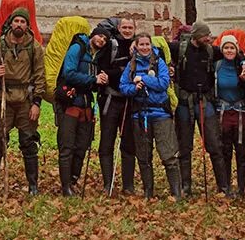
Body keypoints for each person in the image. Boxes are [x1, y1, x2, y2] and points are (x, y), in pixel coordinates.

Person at [0, 8, 47, 195]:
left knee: (28, 141)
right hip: (4, 97)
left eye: (23, 22)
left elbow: (40, 76)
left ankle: (33, 185)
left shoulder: (34, 47)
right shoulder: (0, 45)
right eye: (16, 21)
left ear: (27, 25)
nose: (19, 24)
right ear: (11, 23)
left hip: (26, 100)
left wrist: (37, 102)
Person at [119, 31, 182, 200]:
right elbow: (123, 86)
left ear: (151, 46)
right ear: (136, 46)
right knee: (144, 156)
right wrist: (134, 88)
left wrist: (144, 79)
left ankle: (176, 192)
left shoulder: (159, 62)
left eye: (147, 44)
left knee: (168, 154)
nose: (145, 47)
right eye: (141, 45)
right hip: (139, 115)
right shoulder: (130, 65)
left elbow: (163, 83)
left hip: (160, 113)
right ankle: (148, 191)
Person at [174, 22, 233, 196]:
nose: (208, 38)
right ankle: (185, 187)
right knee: (184, 147)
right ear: (195, 36)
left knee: (215, 145)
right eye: (205, 36)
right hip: (185, 102)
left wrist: (244, 63)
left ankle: (223, 186)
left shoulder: (210, 50)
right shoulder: (180, 49)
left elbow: (234, 53)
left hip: (206, 102)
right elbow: (157, 46)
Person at [56, 24, 111, 195]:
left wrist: (100, 80)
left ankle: (73, 180)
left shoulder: (98, 57)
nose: (101, 40)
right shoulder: (77, 48)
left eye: (105, 39)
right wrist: (92, 79)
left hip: (87, 105)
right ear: (93, 35)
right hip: (70, 102)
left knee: (82, 146)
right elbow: (69, 73)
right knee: (67, 146)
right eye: (100, 36)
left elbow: (93, 83)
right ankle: (65, 187)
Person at [93, 16, 138, 194]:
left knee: (128, 143)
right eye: (124, 27)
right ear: (119, 28)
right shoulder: (111, 46)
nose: (127, 30)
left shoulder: (139, 46)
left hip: (129, 101)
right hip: (110, 100)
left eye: (130, 27)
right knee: (107, 142)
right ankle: (107, 184)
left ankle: (128, 185)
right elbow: (102, 70)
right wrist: (121, 72)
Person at [214, 34, 245, 198]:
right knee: (225, 150)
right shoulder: (217, 66)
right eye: (226, 47)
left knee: (242, 150)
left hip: (241, 112)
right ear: (222, 49)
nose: (229, 50)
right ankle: (225, 186)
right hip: (222, 111)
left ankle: (241, 187)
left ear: (237, 49)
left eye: (232, 47)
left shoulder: (242, 65)